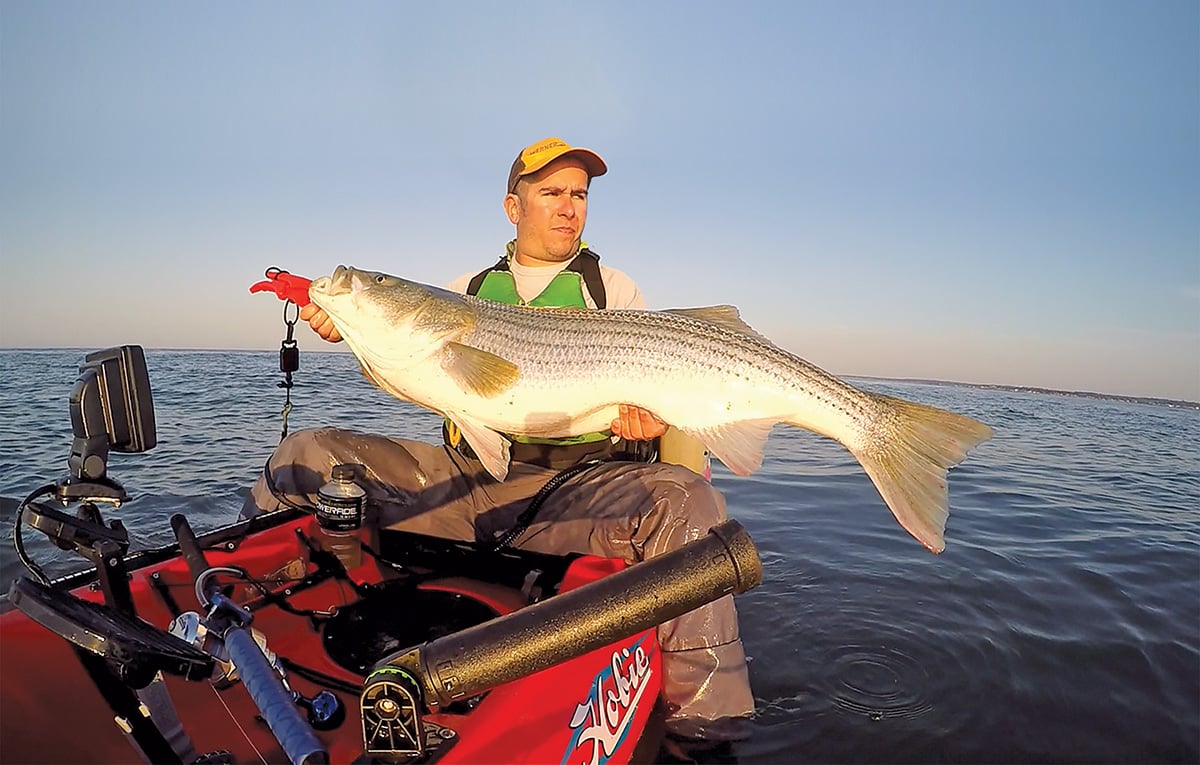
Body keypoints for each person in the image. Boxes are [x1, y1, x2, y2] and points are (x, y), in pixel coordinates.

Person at [242, 137, 755, 753]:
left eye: (579, 195)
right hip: (471, 480)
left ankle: (707, 731)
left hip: (576, 488)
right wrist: (351, 324)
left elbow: (650, 396)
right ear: (514, 207)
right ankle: (247, 623)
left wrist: (647, 420)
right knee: (308, 455)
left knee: (689, 502)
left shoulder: (612, 287)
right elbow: (413, 374)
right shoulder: (465, 290)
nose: (569, 207)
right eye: (551, 193)